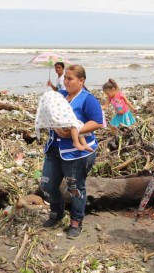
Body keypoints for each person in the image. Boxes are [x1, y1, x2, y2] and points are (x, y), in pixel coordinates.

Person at [41, 64, 104, 239]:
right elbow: (50, 113)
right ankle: (57, 212)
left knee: (75, 188)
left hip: (77, 153)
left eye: (70, 79)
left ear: (81, 81)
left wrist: (74, 131)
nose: (66, 82)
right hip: (54, 148)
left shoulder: (87, 99)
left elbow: (98, 122)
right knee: (47, 184)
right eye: (65, 78)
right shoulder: (60, 95)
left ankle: (76, 221)